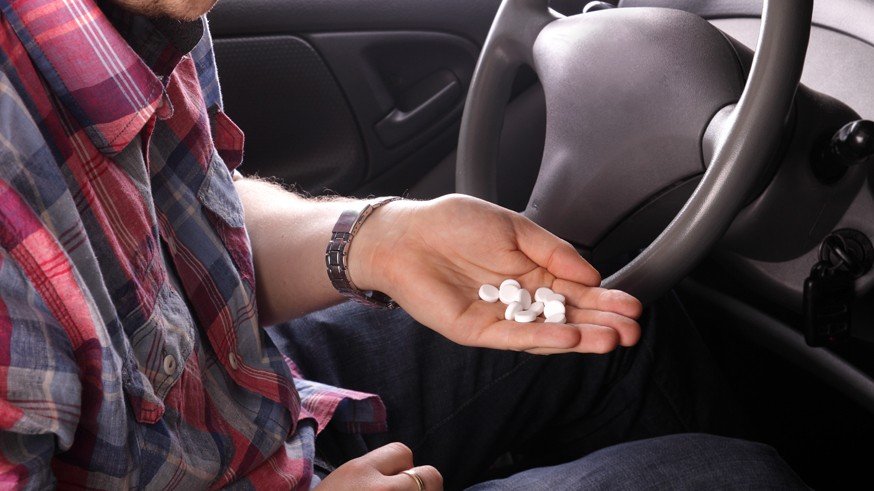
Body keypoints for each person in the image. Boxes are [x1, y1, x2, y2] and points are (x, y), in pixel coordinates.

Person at [0, 0, 808, 488]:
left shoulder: (139, 17)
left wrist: (375, 240)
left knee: (604, 313)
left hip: (224, 405)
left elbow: (170, 215)